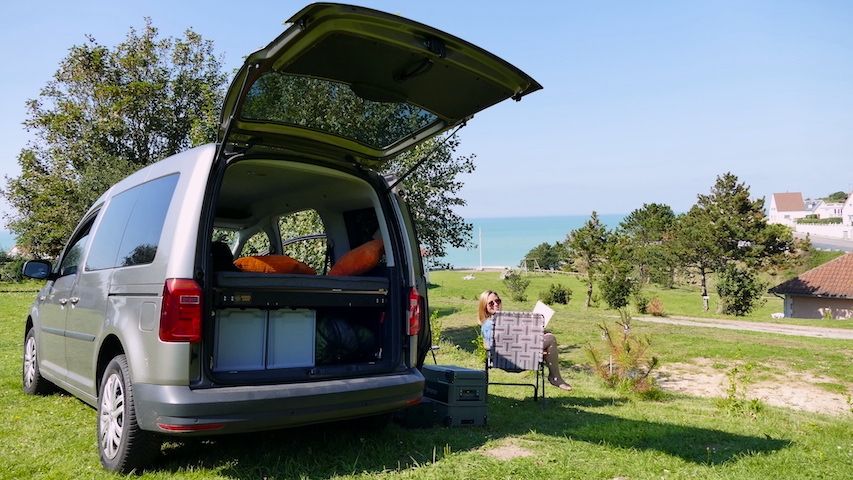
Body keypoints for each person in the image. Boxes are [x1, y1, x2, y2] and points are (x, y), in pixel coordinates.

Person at [478, 290, 572, 391]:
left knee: (546, 337)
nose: (496, 304)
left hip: (510, 359)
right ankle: (555, 377)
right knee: (550, 338)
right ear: (484, 307)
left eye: (498, 301)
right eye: (491, 303)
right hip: (516, 359)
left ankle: (555, 377)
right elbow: (494, 346)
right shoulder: (489, 324)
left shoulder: (502, 321)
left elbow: (489, 346)